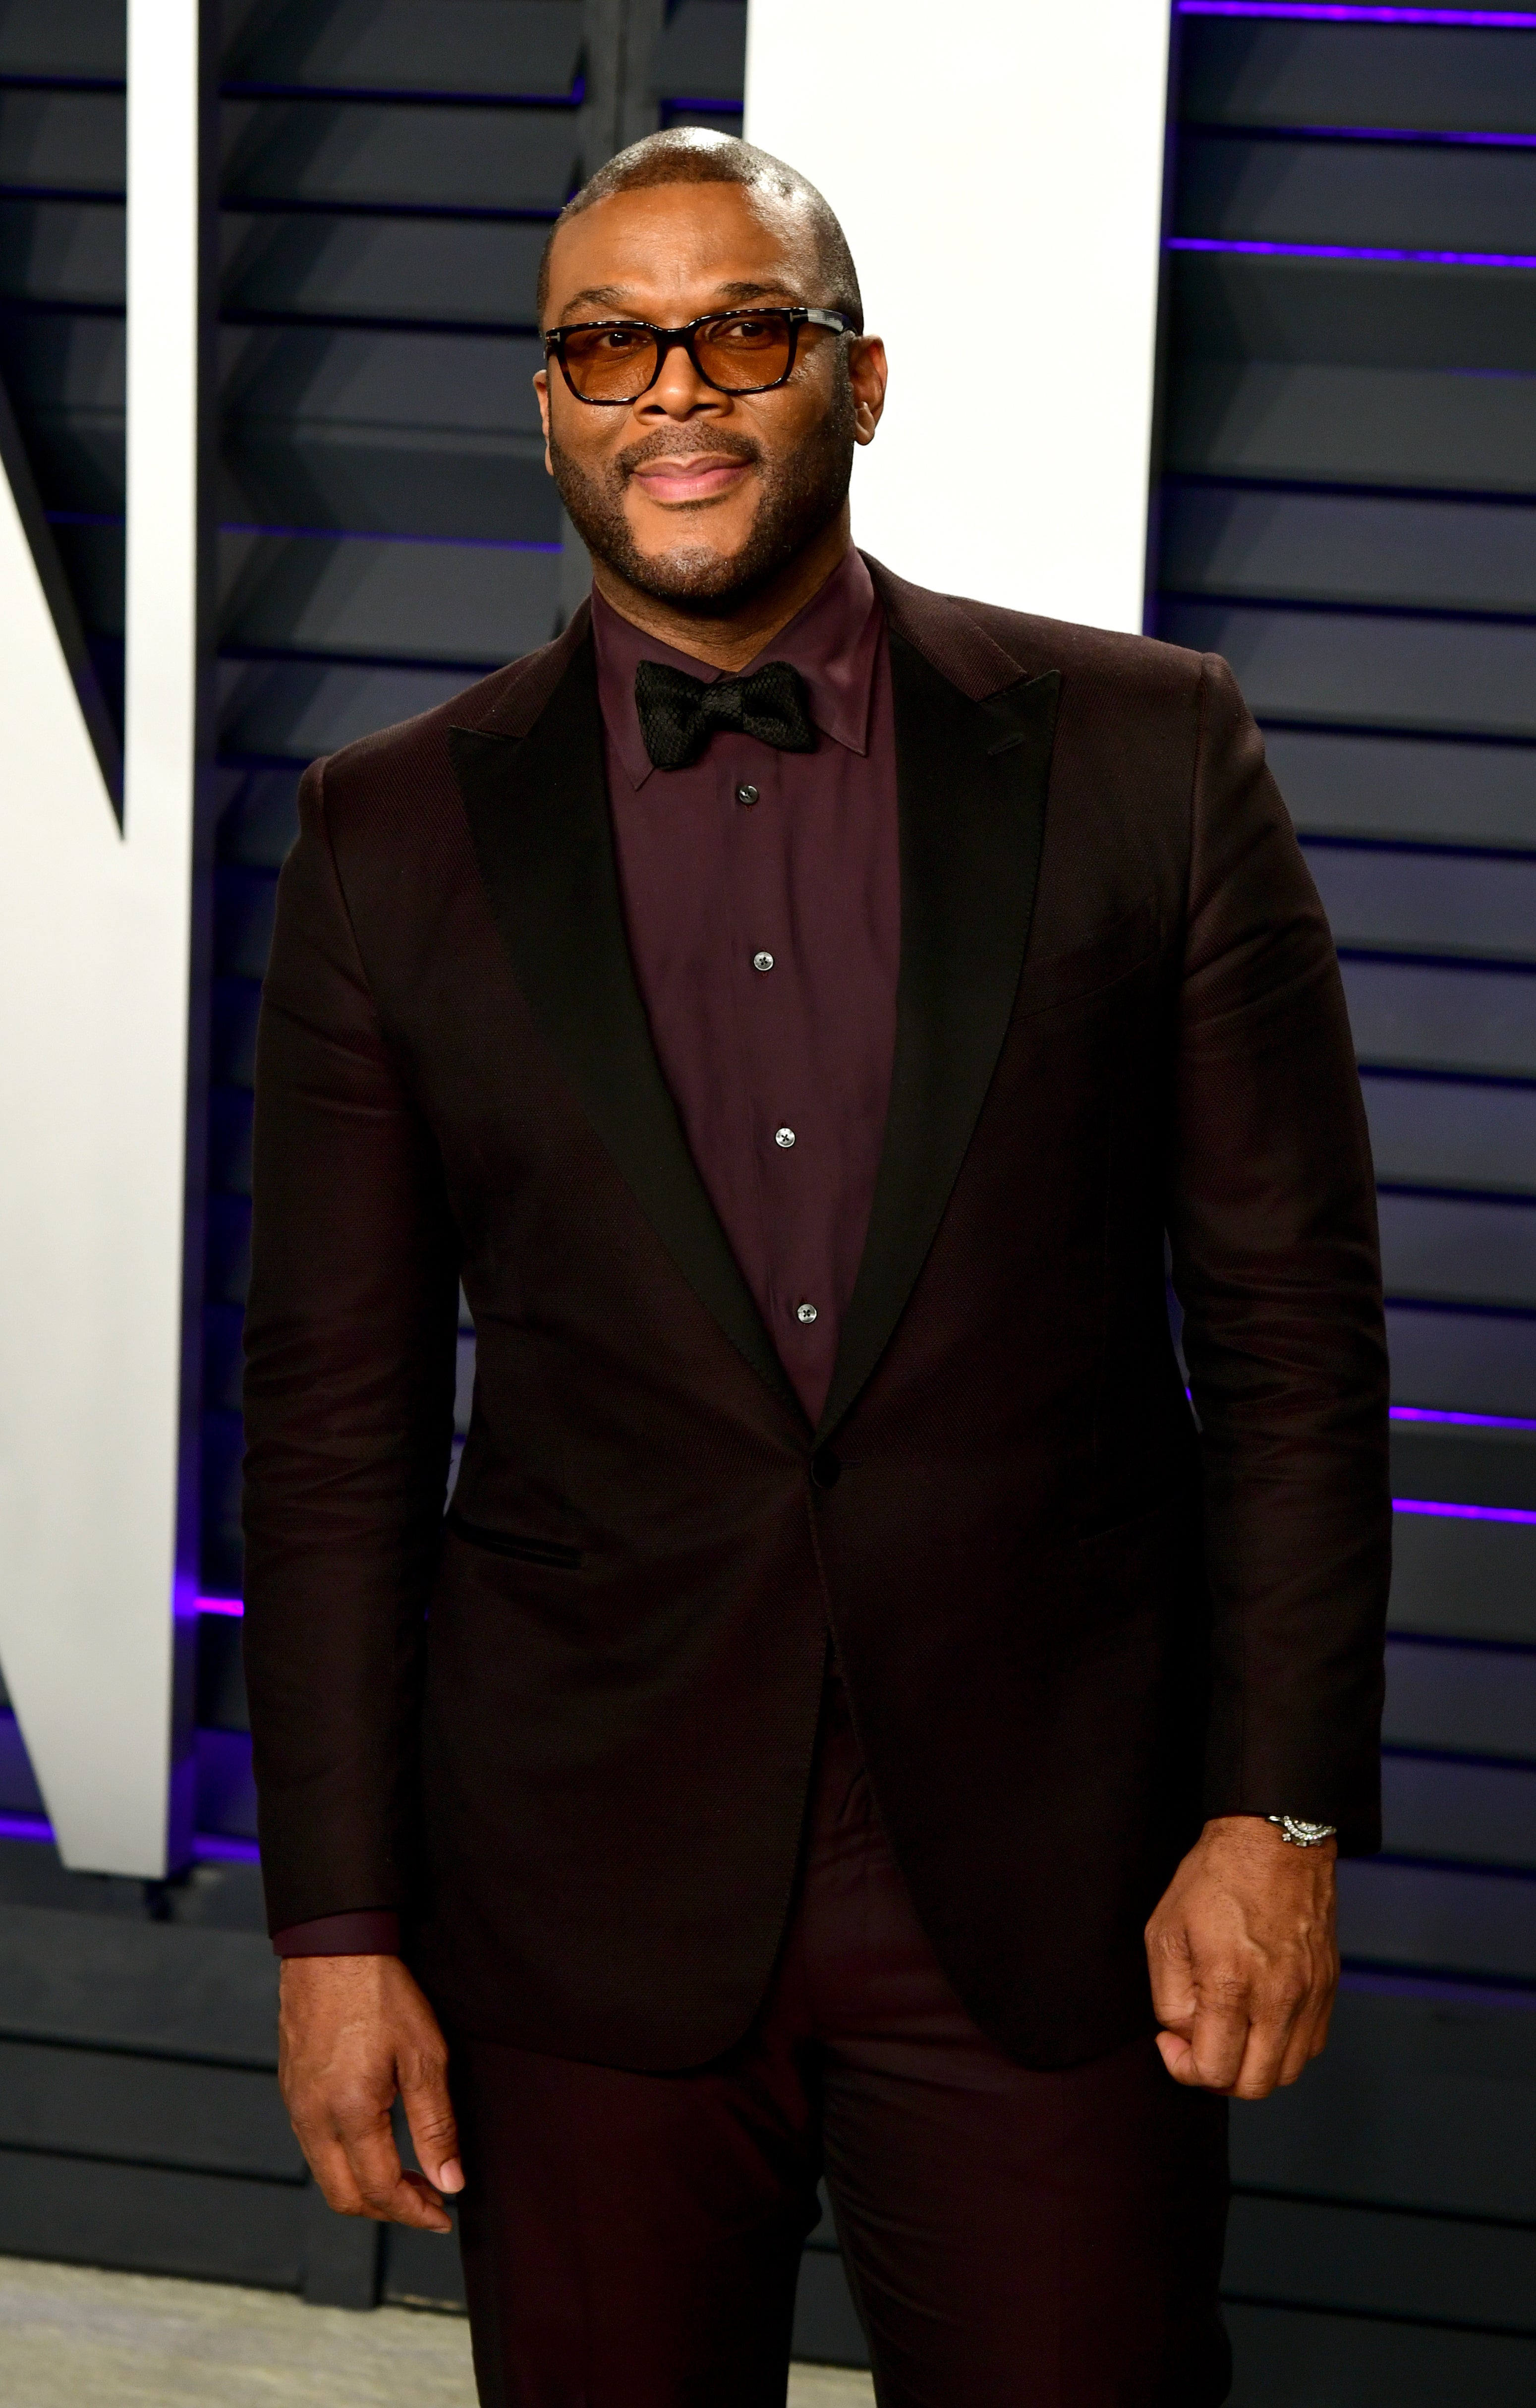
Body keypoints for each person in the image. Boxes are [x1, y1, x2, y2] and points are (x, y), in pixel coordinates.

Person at [242, 128, 1390, 2408]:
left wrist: (1274, 1812)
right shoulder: (387, 834)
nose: (679, 390)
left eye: (744, 330)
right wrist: (339, 1928)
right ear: (549, 401)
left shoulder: (1151, 756)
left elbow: (1291, 1345)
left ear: (855, 383)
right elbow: (336, 1425)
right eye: (609, 344)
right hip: (577, 1897)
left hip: (1060, 1887)